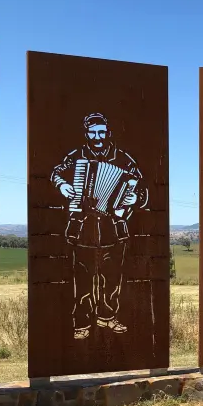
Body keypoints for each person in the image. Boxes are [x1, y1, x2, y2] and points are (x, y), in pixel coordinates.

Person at [52, 113, 148, 340]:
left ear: (108, 133)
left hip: (113, 228)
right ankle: (82, 322)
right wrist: (63, 185)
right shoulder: (76, 157)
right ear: (86, 133)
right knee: (83, 279)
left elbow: (141, 189)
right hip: (83, 227)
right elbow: (56, 173)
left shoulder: (123, 160)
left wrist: (135, 199)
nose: (98, 137)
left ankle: (107, 317)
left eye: (102, 132)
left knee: (112, 278)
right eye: (93, 132)